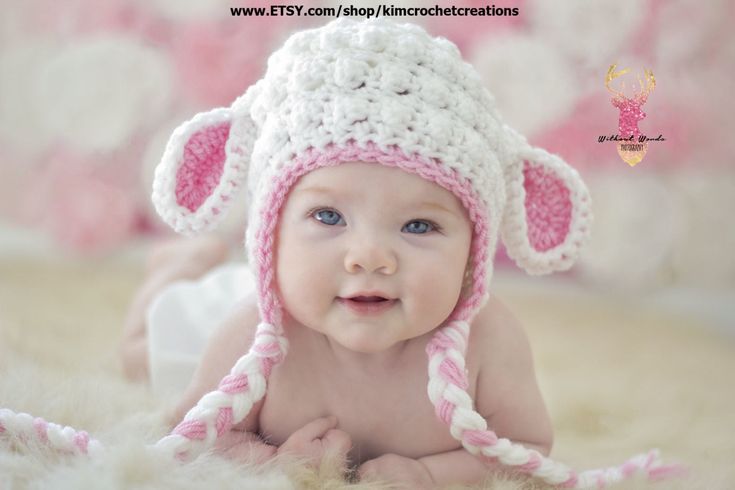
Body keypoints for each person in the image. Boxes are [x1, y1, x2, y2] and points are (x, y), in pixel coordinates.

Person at [123, 17, 600, 488]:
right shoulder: (249, 336)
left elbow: (527, 451)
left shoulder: (488, 343)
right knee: (140, 356)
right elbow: (193, 440)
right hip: (212, 315)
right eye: (328, 217)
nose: (369, 258)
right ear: (271, 232)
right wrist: (272, 462)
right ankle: (169, 272)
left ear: (474, 252)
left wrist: (430, 474)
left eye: (419, 225)